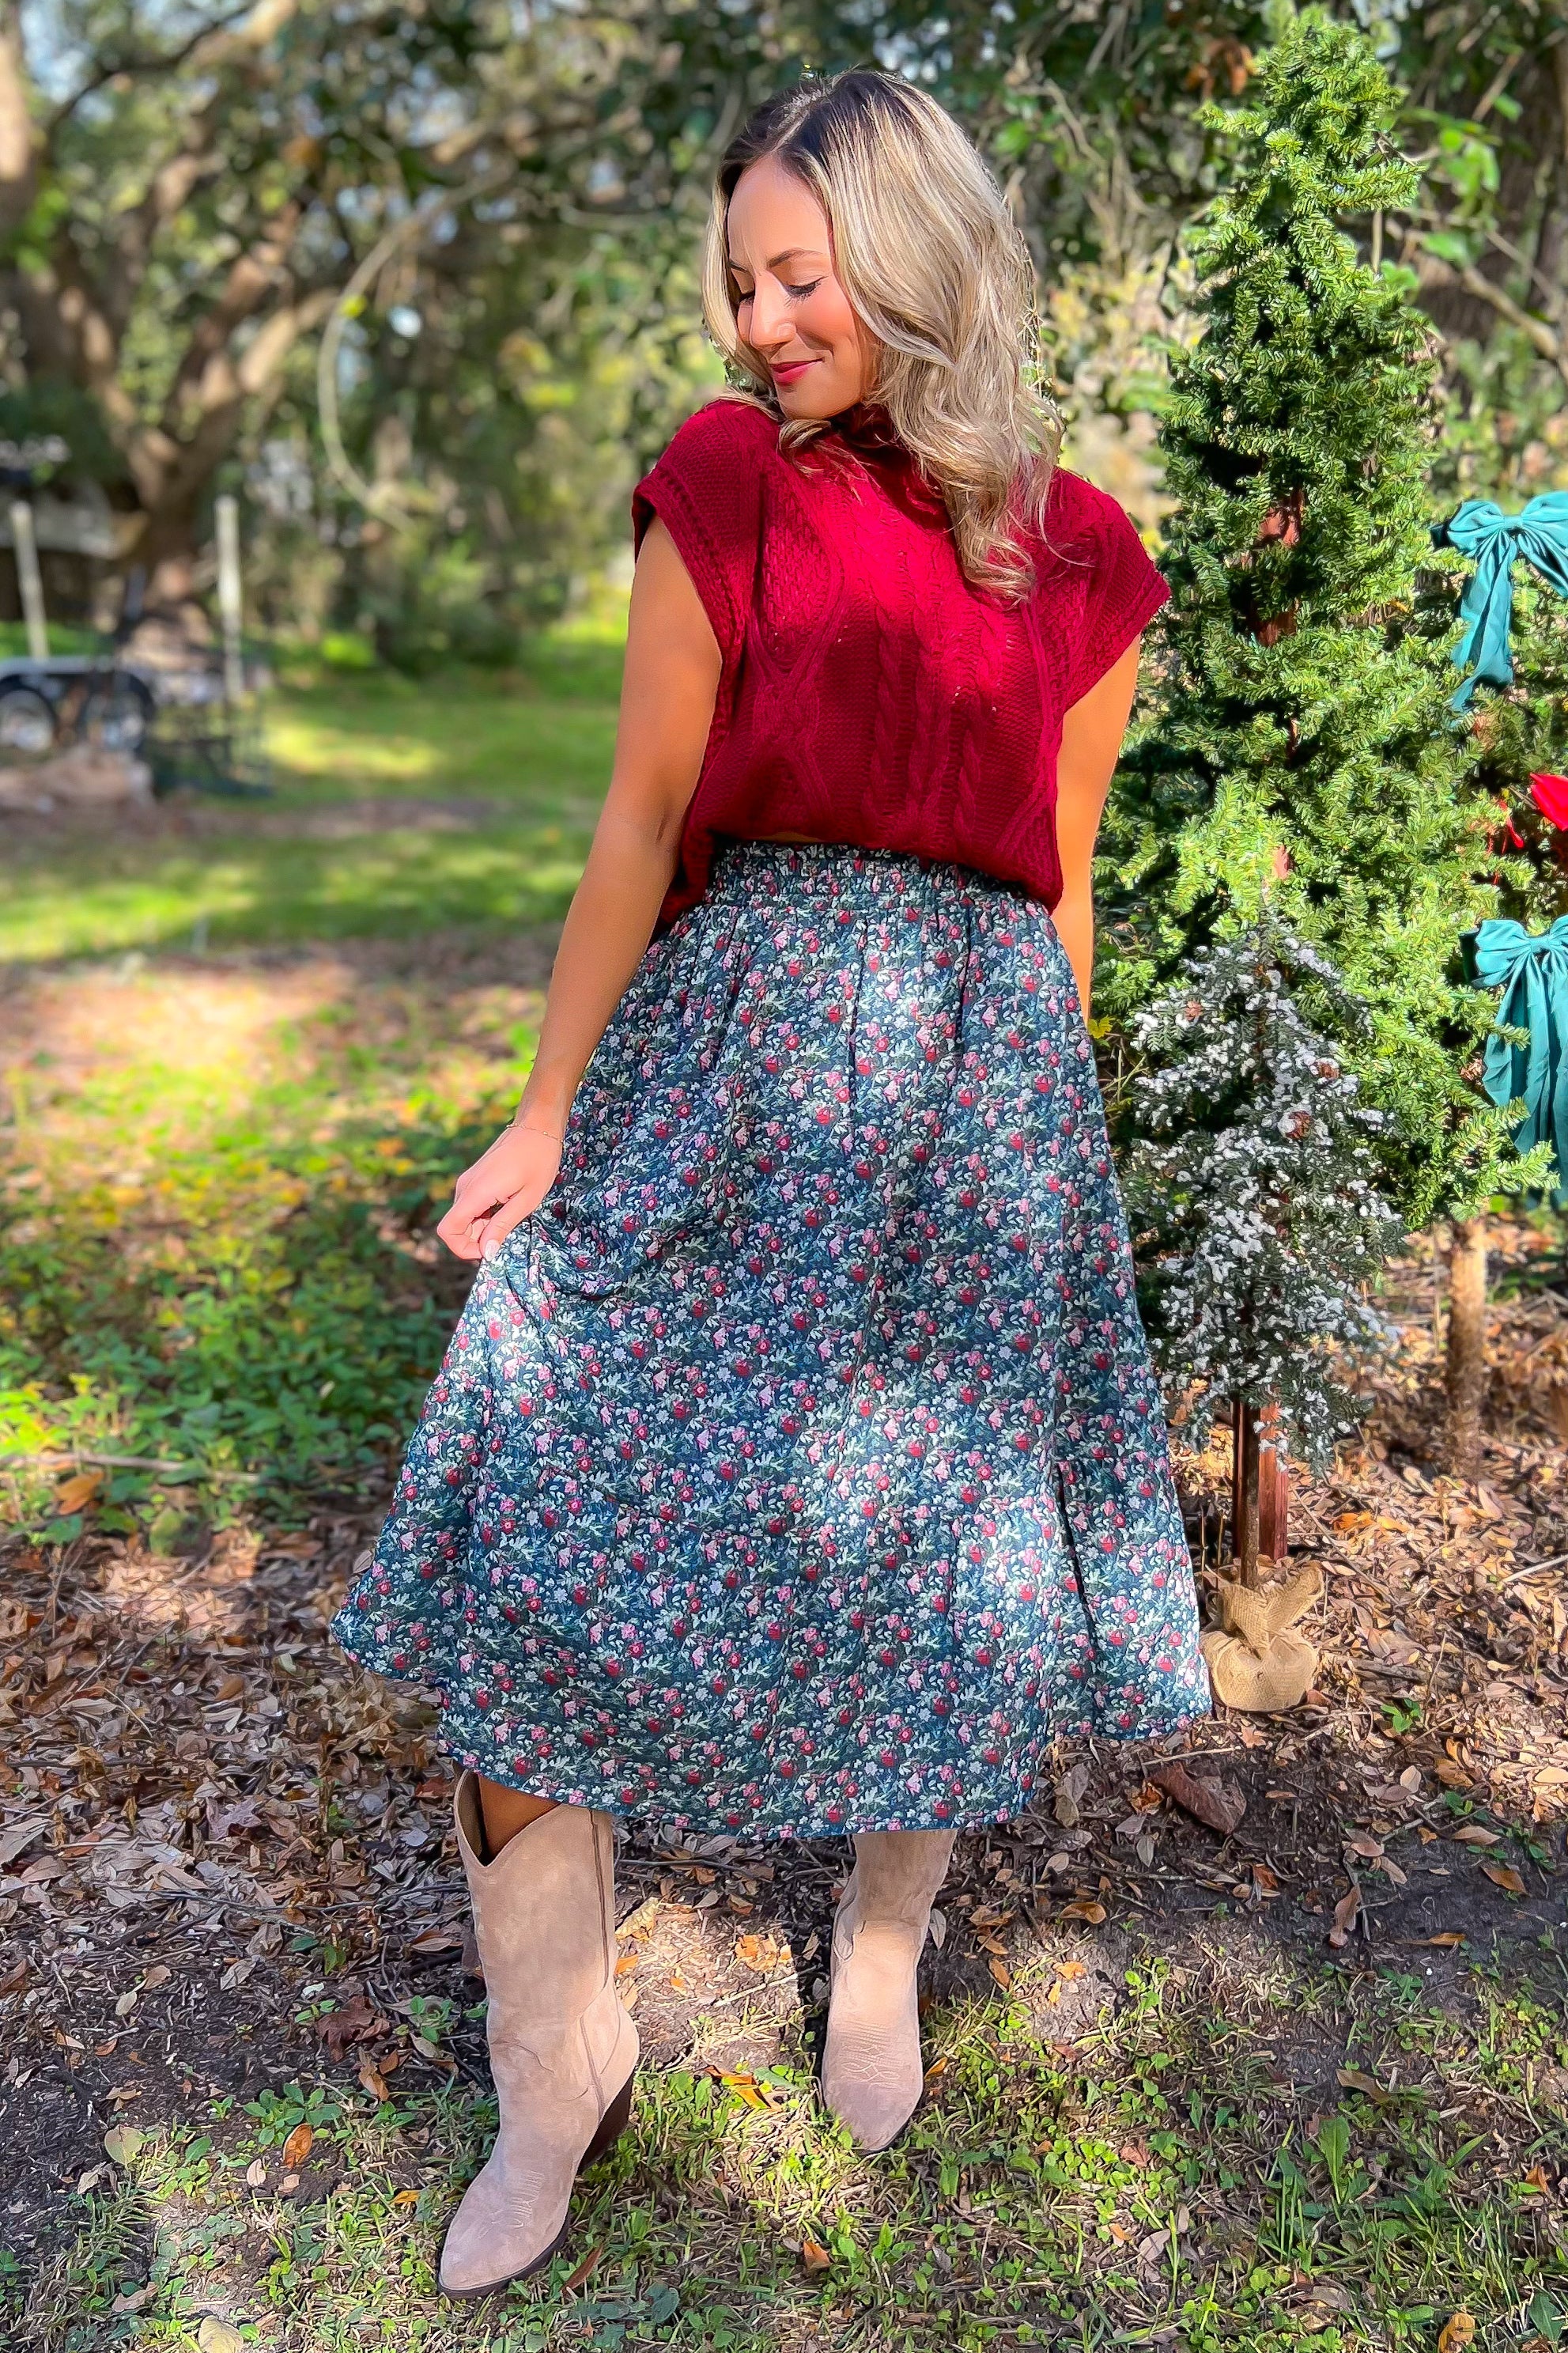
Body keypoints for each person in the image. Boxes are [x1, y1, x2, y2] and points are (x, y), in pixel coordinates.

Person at [333, 66, 1208, 2301]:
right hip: (732, 1070)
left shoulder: (1085, 550)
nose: (756, 317)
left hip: (981, 1105)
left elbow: (1062, 896)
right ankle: (561, 2061)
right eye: (738, 279)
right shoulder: (725, 486)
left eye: (797, 274)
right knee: (526, 1504)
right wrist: (547, 1116)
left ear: (912, 259)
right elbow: (639, 827)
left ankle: (882, 1957)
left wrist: (1056, 1155)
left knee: (942, 1552)